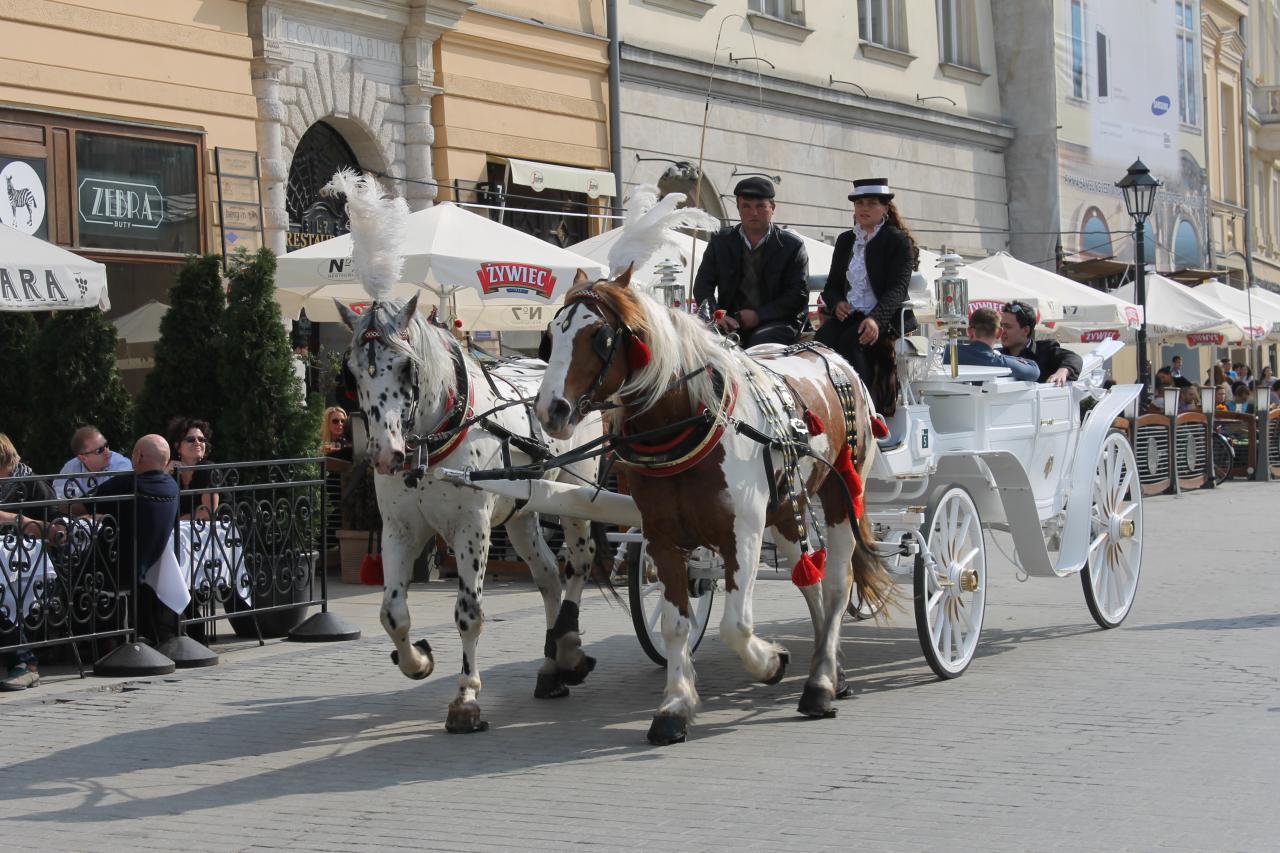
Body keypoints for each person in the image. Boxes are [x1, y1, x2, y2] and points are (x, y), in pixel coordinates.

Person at [816, 178, 919, 414]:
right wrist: (837, 303)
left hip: (885, 317)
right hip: (849, 315)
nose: (864, 208)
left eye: (872, 203)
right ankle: (826, 407)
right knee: (819, 343)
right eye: (859, 203)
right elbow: (831, 287)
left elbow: (898, 288)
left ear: (885, 207)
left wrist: (875, 320)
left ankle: (866, 410)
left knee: (853, 342)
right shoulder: (846, 240)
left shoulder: (896, 240)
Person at [693, 176, 809, 348]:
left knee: (757, 345)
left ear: (772, 208)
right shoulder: (720, 242)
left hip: (779, 322)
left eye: (760, 206)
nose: (754, 213)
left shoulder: (791, 246)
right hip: (730, 322)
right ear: (738, 208)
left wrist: (759, 315)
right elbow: (703, 285)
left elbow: (798, 295)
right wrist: (718, 316)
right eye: (746, 206)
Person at [87, 435, 180, 643]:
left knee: (63, 565)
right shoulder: (172, 486)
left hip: (115, 566)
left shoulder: (125, 485)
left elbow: (80, 507)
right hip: (152, 565)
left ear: (137, 456)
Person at [0, 433, 58, 691]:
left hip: (31, 567)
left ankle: (25, 662)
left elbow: (58, 528)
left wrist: (16, 521)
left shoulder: (32, 484)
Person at [998, 301, 1083, 386]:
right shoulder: (996, 355)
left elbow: (1074, 359)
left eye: (1007, 327)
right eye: (1001, 326)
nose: (1001, 330)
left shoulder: (1046, 350)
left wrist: (1063, 371)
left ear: (1025, 330)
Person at [944, 308, 1039, 381]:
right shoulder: (997, 362)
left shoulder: (946, 353)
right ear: (999, 333)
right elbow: (1034, 370)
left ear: (969, 331)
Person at [53, 425, 133, 500]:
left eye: (106, 445)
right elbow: (58, 498)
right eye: (99, 450)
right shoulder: (70, 468)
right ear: (83, 458)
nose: (107, 451)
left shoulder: (121, 465)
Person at [166, 417, 218, 520]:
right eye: (191, 439)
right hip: (187, 532)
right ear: (177, 446)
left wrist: (176, 521)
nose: (197, 442)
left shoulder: (207, 469)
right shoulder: (172, 472)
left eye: (201, 439)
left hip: (218, 531)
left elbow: (208, 513)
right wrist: (165, 474)